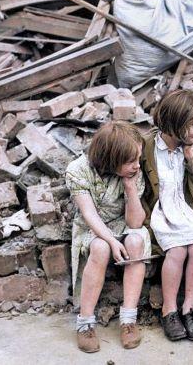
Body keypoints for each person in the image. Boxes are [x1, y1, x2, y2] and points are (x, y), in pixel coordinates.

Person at [141, 90, 193, 342]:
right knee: (177, 250)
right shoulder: (146, 146)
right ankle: (169, 311)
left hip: (189, 207)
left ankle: (190, 309)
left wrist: (191, 158)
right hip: (161, 209)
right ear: (175, 123)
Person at [65, 121, 151, 353]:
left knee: (135, 241)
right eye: (129, 161)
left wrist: (131, 188)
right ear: (111, 159)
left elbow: (135, 222)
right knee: (101, 248)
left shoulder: (133, 173)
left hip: (122, 222)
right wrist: (112, 241)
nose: (136, 165)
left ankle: (128, 319)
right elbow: (89, 214)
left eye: (138, 159)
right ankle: (85, 322)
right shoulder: (78, 169)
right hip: (92, 226)